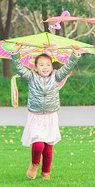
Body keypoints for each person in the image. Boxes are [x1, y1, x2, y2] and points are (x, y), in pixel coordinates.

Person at [12, 42, 80, 180]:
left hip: (50, 116)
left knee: (48, 147)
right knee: (38, 145)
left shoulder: (56, 76)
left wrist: (75, 55)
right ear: (35, 68)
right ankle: (34, 164)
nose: (45, 67)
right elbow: (19, 67)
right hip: (36, 116)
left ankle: (45, 172)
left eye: (48, 65)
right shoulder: (31, 77)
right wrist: (15, 53)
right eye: (41, 65)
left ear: (52, 66)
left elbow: (67, 68)